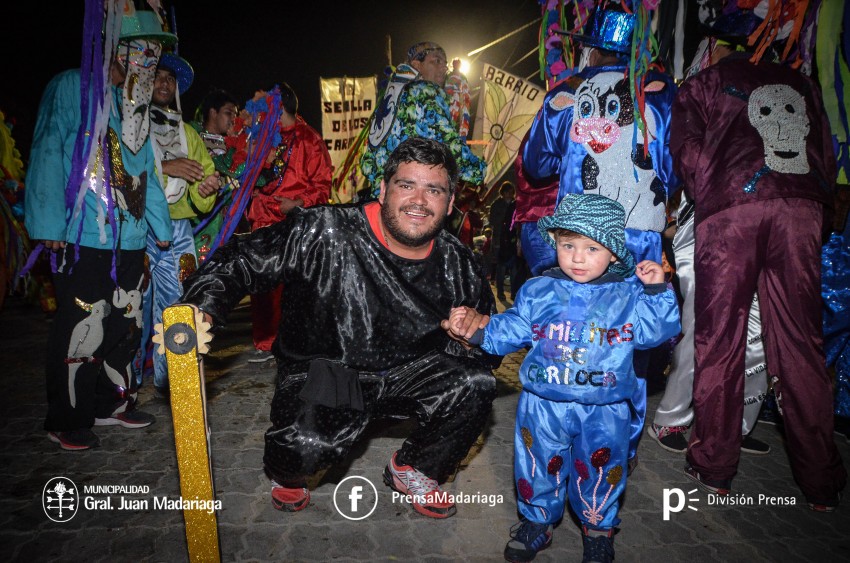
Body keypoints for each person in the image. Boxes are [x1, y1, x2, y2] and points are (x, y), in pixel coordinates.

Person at [180, 137, 500, 518]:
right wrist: (200, 311)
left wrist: (476, 335)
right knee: (305, 448)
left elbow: (490, 345)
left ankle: (413, 467)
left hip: (407, 372)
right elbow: (241, 260)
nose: (418, 200)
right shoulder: (323, 230)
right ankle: (290, 471)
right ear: (383, 190)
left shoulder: (459, 263)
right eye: (406, 185)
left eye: (433, 190)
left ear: (449, 204)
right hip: (329, 369)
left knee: (476, 383)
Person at [671, 5, 847, 509]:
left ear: (717, 47)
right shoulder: (801, 83)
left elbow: (686, 152)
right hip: (802, 208)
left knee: (720, 336)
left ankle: (714, 466)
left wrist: (713, 191)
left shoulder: (705, 83)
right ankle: (820, 484)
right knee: (800, 341)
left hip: (733, 209)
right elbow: (827, 152)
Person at [445, 194, 679, 562]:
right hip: (543, 404)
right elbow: (515, 326)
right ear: (555, 244)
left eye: (591, 247)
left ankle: (599, 528)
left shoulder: (628, 294)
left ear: (614, 254)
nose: (578, 257)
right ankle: (537, 521)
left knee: (602, 467)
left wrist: (655, 290)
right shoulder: (538, 289)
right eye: (568, 245)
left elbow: (654, 334)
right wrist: (478, 333)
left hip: (605, 407)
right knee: (537, 462)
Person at [25, 6, 175, 450]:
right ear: (115, 49)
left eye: (154, 54)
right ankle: (67, 415)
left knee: (126, 325)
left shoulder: (136, 111)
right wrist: (50, 222)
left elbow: (145, 172)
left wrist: (160, 227)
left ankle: (112, 403)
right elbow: (49, 148)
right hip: (83, 234)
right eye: (139, 51)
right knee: (82, 325)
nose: (148, 62)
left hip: (129, 240)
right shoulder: (74, 88)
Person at [649, 194, 770, 454]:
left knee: (760, 331)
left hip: (769, 223)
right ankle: (670, 418)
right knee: (702, 325)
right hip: (713, 220)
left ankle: (739, 426)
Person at [137, 52, 220, 396]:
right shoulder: (133, 126)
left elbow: (204, 181)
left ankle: (171, 379)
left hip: (180, 230)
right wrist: (167, 168)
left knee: (180, 301)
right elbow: (126, 172)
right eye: (158, 76)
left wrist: (206, 188)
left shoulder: (188, 132)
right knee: (135, 303)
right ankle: (120, 384)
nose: (165, 83)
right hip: (140, 227)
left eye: (170, 78)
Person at [244, 82, 333, 363]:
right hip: (263, 217)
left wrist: (296, 203)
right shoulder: (261, 137)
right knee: (264, 281)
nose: (260, 111)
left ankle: (297, 342)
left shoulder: (309, 139)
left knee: (297, 284)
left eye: (266, 105)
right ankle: (266, 343)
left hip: (296, 222)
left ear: (278, 107)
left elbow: (323, 187)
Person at [360, 41, 485, 199]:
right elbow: (450, 146)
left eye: (445, 63)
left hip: (383, 196)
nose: (444, 68)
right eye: (436, 61)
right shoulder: (426, 91)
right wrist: (479, 169)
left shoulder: (391, 96)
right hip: (412, 196)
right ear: (417, 65)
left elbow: (367, 162)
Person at [190, 88, 240, 263]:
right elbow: (219, 167)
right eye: (228, 113)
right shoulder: (192, 135)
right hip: (197, 222)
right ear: (213, 112)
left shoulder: (232, 144)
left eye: (236, 114)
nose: (234, 119)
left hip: (225, 224)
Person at [488, 181, 515, 300]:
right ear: (503, 193)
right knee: (501, 266)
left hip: (512, 240)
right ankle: (500, 291)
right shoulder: (497, 204)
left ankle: (514, 292)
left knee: (514, 267)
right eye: (508, 192)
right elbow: (493, 221)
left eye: (512, 192)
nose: (511, 194)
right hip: (499, 239)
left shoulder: (516, 204)